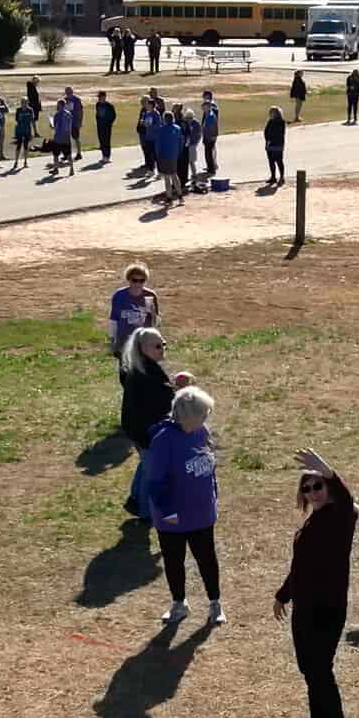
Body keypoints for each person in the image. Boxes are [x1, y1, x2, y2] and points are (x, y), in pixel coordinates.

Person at [273, 448, 359, 718]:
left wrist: (328, 470)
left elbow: (346, 499)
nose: (312, 493)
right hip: (305, 608)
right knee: (309, 669)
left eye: (318, 485)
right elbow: (301, 567)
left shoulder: (341, 517)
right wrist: (284, 594)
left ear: (329, 487)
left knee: (320, 670)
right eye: (306, 489)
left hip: (327, 608)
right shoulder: (313, 522)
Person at [148, 386, 224, 626]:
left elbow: (209, 464)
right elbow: (155, 481)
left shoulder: (200, 430)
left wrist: (213, 492)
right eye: (202, 414)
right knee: (174, 560)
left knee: (207, 559)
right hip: (173, 517)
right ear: (186, 416)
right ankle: (179, 604)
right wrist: (167, 513)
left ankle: (215, 603)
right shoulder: (163, 441)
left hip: (201, 512)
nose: (205, 419)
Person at [119, 326, 179, 519]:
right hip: (146, 431)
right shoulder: (144, 374)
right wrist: (176, 389)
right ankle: (146, 512)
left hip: (136, 429)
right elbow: (161, 400)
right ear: (143, 348)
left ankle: (135, 500)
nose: (162, 349)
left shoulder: (137, 366)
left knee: (146, 465)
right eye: (158, 346)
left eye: (164, 345)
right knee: (151, 471)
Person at [110, 264, 162, 360]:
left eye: (142, 281)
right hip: (124, 341)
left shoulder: (150, 295)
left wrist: (153, 313)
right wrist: (113, 340)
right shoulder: (119, 295)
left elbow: (156, 324)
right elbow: (114, 319)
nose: (138, 284)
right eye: (134, 280)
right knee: (126, 372)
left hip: (144, 343)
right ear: (129, 279)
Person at [154, 105, 184, 204]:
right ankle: (180, 196)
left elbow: (158, 145)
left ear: (164, 119)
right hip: (174, 155)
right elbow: (181, 143)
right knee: (175, 175)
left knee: (167, 177)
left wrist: (158, 156)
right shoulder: (178, 128)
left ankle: (169, 197)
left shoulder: (161, 130)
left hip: (164, 155)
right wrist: (178, 153)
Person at [49, 98, 76, 176]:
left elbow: (55, 126)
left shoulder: (57, 115)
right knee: (68, 155)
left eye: (58, 105)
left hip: (58, 138)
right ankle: (71, 169)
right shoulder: (69, 114)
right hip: (66, 138)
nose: (57, 106)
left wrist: (51, 125)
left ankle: (56, 169)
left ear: (60, 105)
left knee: (56, 155)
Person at [263, 105, 287, 186]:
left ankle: (282, 177)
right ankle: (273, 177)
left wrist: (271, 138)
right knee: (271, 161)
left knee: (279, 161)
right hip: (270, 144)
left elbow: (279, 133)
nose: (270, 114)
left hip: (278, 144)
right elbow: (266, 131)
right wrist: (267, 140)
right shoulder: (270, 121)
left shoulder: (281, 122)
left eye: (271, 112)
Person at [178, 104, 200, 187]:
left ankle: (194, 174)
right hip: (187, 145)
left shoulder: (195, 124)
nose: (188, 119)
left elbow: (197, 135)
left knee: (191, 161)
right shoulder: (186, 123)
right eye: (187, 117)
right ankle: (190, 175)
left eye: (189, 117)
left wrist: (194, 143)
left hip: (192, 145)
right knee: (187, 162)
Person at [11, 94, 35, 169]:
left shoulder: (30, 110)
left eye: (25, 102)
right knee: (18, 145)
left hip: (27, 130)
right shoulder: (18, 110)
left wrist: (34, 131)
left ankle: (25, 161)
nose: (24, 103)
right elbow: (16, 120)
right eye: (22, 102)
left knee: (26, 146)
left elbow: (32, 120)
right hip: (20, 130)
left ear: (27, 102)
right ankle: (16, 161)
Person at [200, 91, 219, 177]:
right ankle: (211, 166)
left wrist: (213, 135)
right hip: (208, 133)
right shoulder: (209, 109)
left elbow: (213, 124)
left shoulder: (212, 107)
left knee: (210, 151)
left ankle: (212, 166)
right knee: (210, 151)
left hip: (210, 135)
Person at [94, 90, 116, 161]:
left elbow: (113, 115)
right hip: (99, 126)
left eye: (101, 97)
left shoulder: (109, 106)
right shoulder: (97, 105)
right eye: (99, 97)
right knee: (101, 140)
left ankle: (107, 156)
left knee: (107, 141)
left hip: (107, 126)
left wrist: (109, 123)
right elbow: (97, 114)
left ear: (104, 97)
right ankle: (103, 155)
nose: (99, 98)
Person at [64, 86, 84, 160]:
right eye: (67, 92)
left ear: (72, 92)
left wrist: (80, 121)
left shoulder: (77, 100)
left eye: (69, 91)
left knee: (76, 138)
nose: (68, 93)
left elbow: (81, 111)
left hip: (74, 122)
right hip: (66, 123)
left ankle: (79, 153)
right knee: (66, 139)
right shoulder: (65, 100)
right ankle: (66, 154)